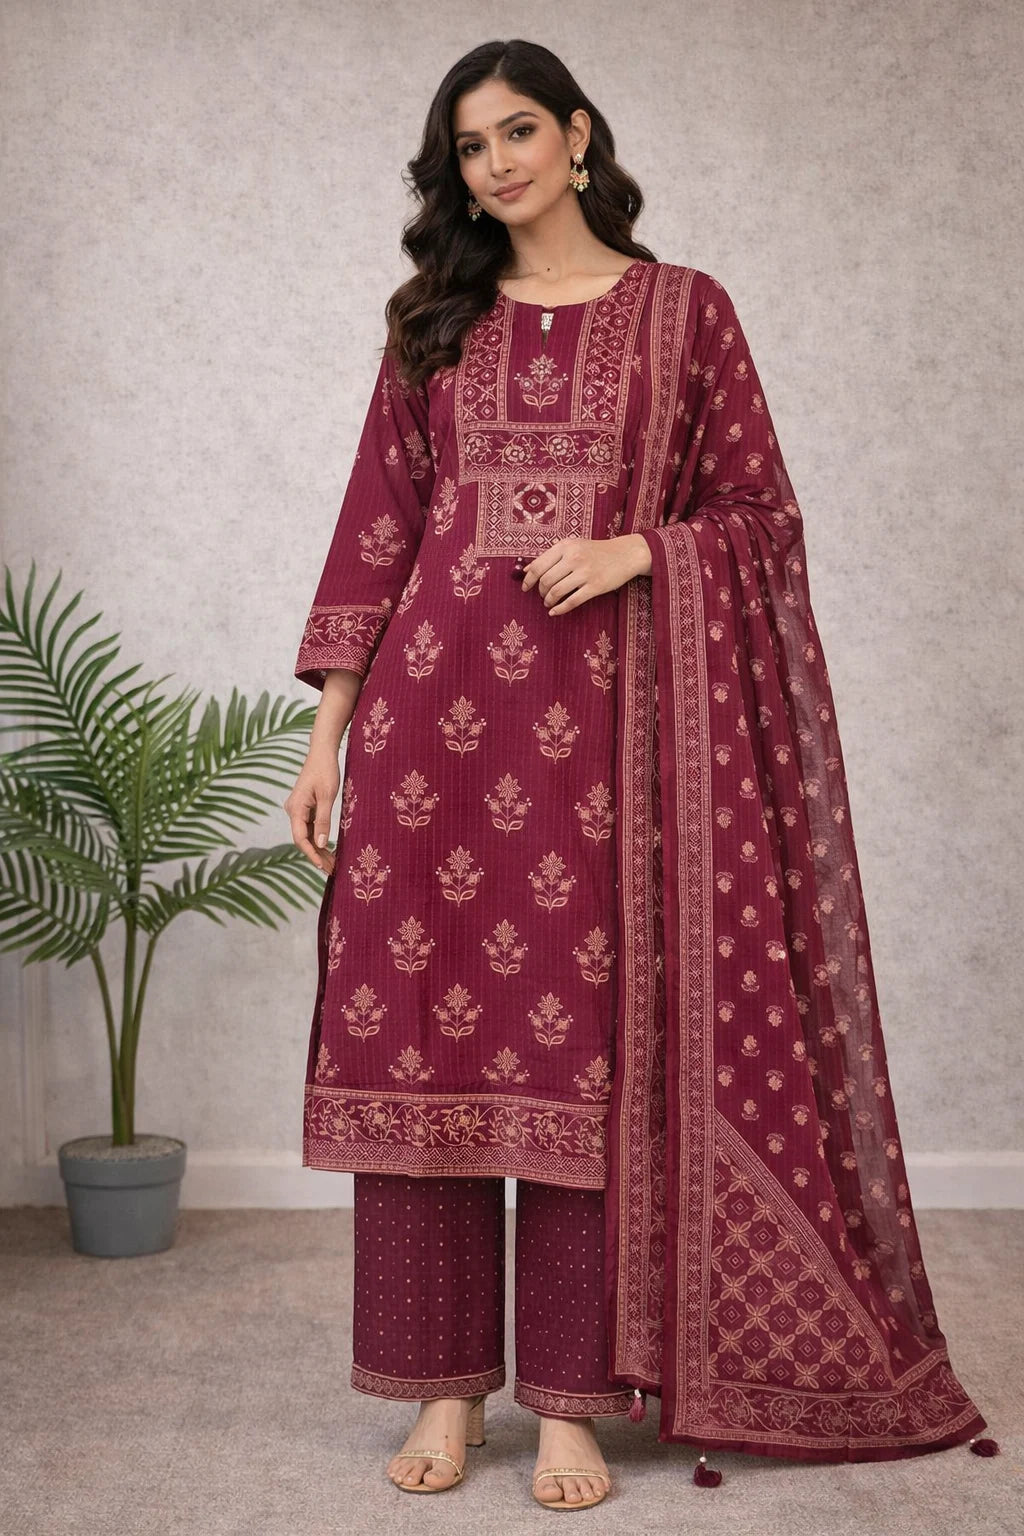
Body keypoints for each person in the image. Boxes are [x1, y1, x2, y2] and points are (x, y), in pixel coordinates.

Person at [284, 37, 995, 1512]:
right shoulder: (435, 322)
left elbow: (765, 517)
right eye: (472, 148)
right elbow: (379, 523)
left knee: (577, 1065)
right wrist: (327, 731)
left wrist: (637, 548)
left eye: (521, 130)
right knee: (429, 1054)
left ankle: (570, 1406)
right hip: (433, 725)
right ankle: (440, 1389)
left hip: (607, 754)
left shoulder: (686, 313)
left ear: (583, 132)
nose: (499, 165)